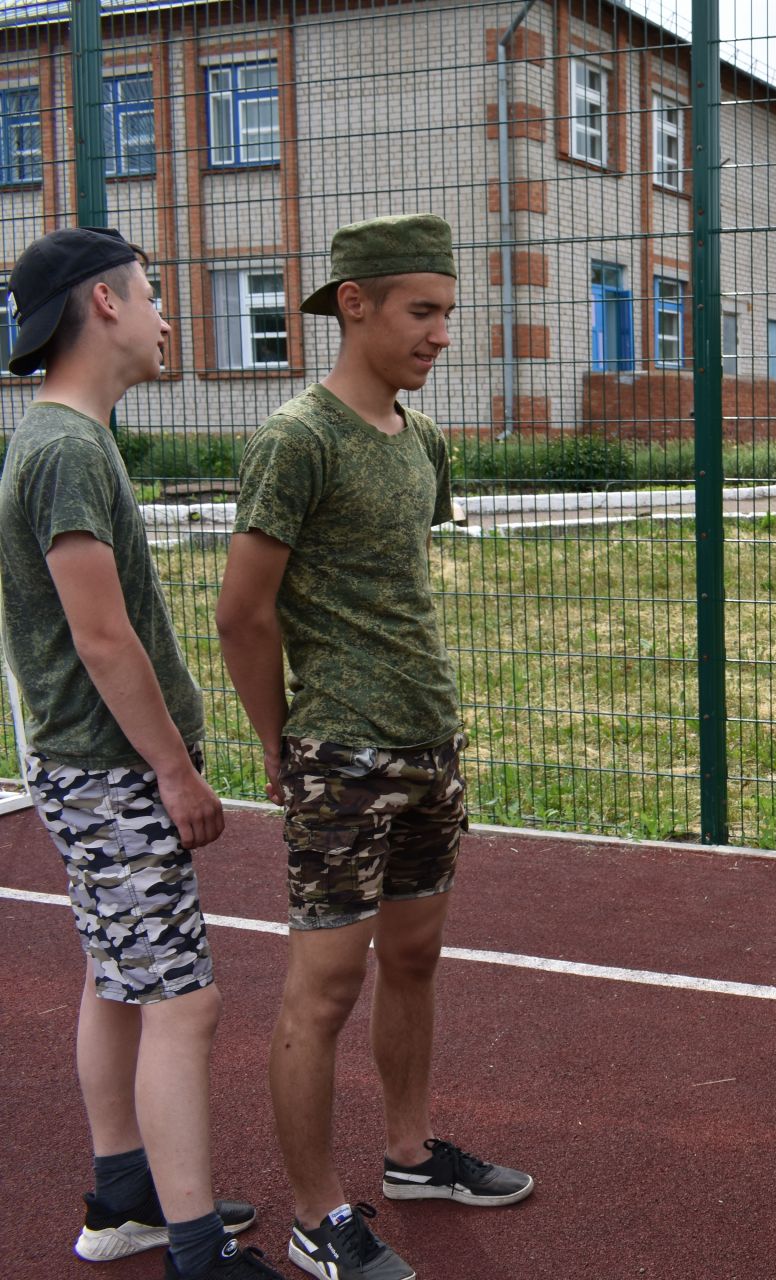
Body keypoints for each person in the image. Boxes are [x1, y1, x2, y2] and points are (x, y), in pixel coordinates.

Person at [216, 215, 532, 1280]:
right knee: (323, 988)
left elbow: (395, 588)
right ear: (355, 304)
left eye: (448, 312)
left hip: (426, 741)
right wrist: (279, 744)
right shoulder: (296, 439)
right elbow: (241, 615)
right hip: (340, 754)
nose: (442, 334)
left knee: (415, 956)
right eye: (422, 311)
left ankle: (408, 1155)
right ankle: (316, 1216)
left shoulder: (419, 437)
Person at [0, 228, 283, 1278]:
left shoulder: (57, 438)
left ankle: (126, 1194)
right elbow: (102, 635)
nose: (168, 316)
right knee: (183, 997)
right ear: (104, 304)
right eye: (156, 294)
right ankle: (199, 1251)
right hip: (110, 770)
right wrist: (174, 768)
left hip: (83, 768)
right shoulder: (69, 447)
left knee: (120, 979)